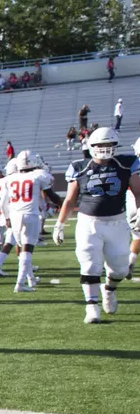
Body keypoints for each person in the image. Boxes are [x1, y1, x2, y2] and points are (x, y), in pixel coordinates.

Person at [55, 127, 140, 323]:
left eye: (109, 144)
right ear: (92, 146)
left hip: (117, 222)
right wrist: (60, 224)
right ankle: (91, 306)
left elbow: (138, 192)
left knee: (120, 269)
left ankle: (109, 289)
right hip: (89, 222)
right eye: (101, 144)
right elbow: (70, 199)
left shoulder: (126, 164)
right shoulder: (79, 167)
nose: (104, 148)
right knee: (89, 264)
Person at [0, 151, 52, 292]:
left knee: (19, 246)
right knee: (23, 248)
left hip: (13, 215)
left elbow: (2, 202)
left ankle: (29, 278)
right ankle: (21, 280)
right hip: (18, 214)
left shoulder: (7, 180)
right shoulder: (26, 177)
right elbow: (4, 201)